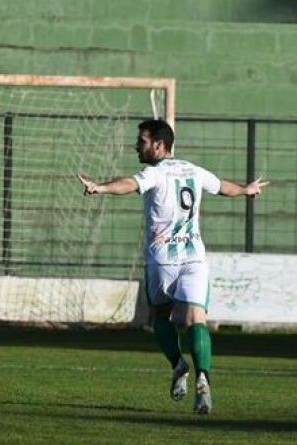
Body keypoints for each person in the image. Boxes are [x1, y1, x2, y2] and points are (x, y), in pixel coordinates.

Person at [77, 119, 268, 415]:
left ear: (158, 144)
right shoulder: (194, 170)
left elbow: (129, 184)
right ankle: (202, 377)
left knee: (162, 317)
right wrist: (247, 190)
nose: (136, 146)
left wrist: (100, 187)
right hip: (194, 258)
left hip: (162, 260)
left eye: (141, 141)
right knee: (196, 321)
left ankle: (180, 365)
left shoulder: (154, 173)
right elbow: (222, 187)